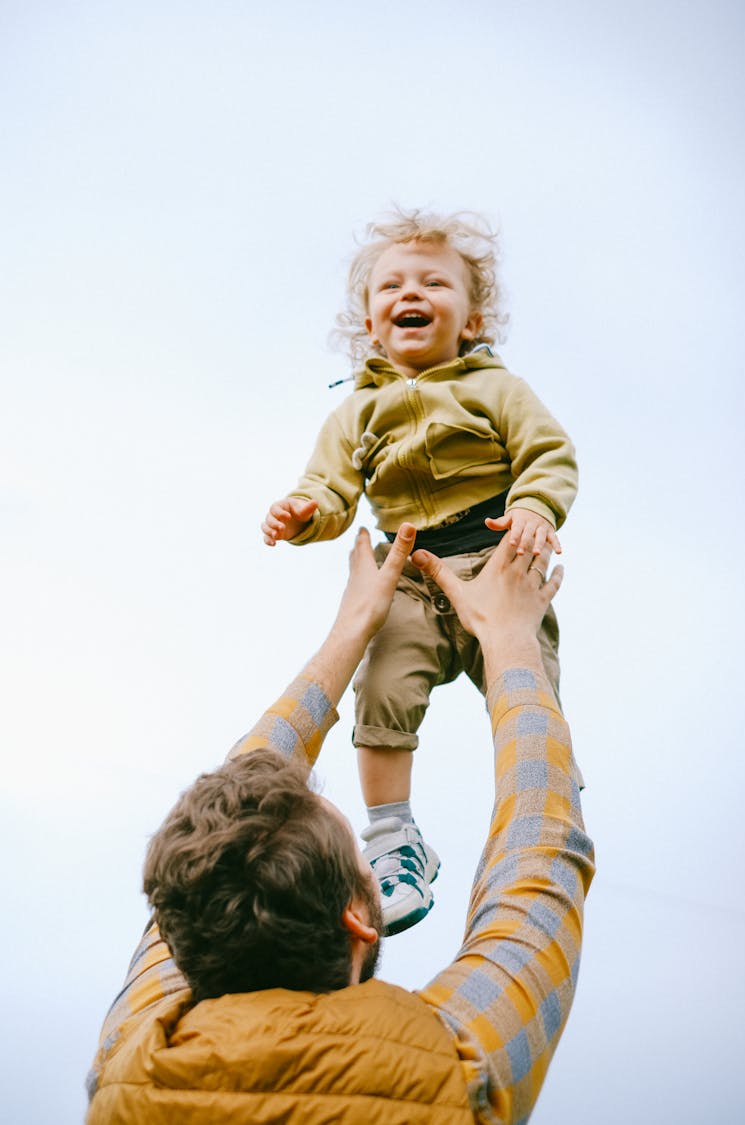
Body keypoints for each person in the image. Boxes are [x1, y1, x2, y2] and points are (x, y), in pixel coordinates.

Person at [86, 524, 594, 1125]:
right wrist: (510, 641)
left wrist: (352, 629)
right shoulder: (453, 1069)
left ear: (178, 926)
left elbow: (541, 859)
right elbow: (537, 854)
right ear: (355, 916)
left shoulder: (131, 1070)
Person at [261, 208, 579, 934]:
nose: (413, 292)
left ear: (470, 321)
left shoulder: (497, 388)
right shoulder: (355, 412)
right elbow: (333, 489)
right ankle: (394, 840)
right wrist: (306, 513)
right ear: (372, 325)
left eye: (435, 283)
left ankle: (549, 786)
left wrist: (535, 508)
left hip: (495, 554)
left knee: (521, 680)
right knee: (381, 691)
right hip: (406, 569)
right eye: (393, 286)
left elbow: (548, 452)